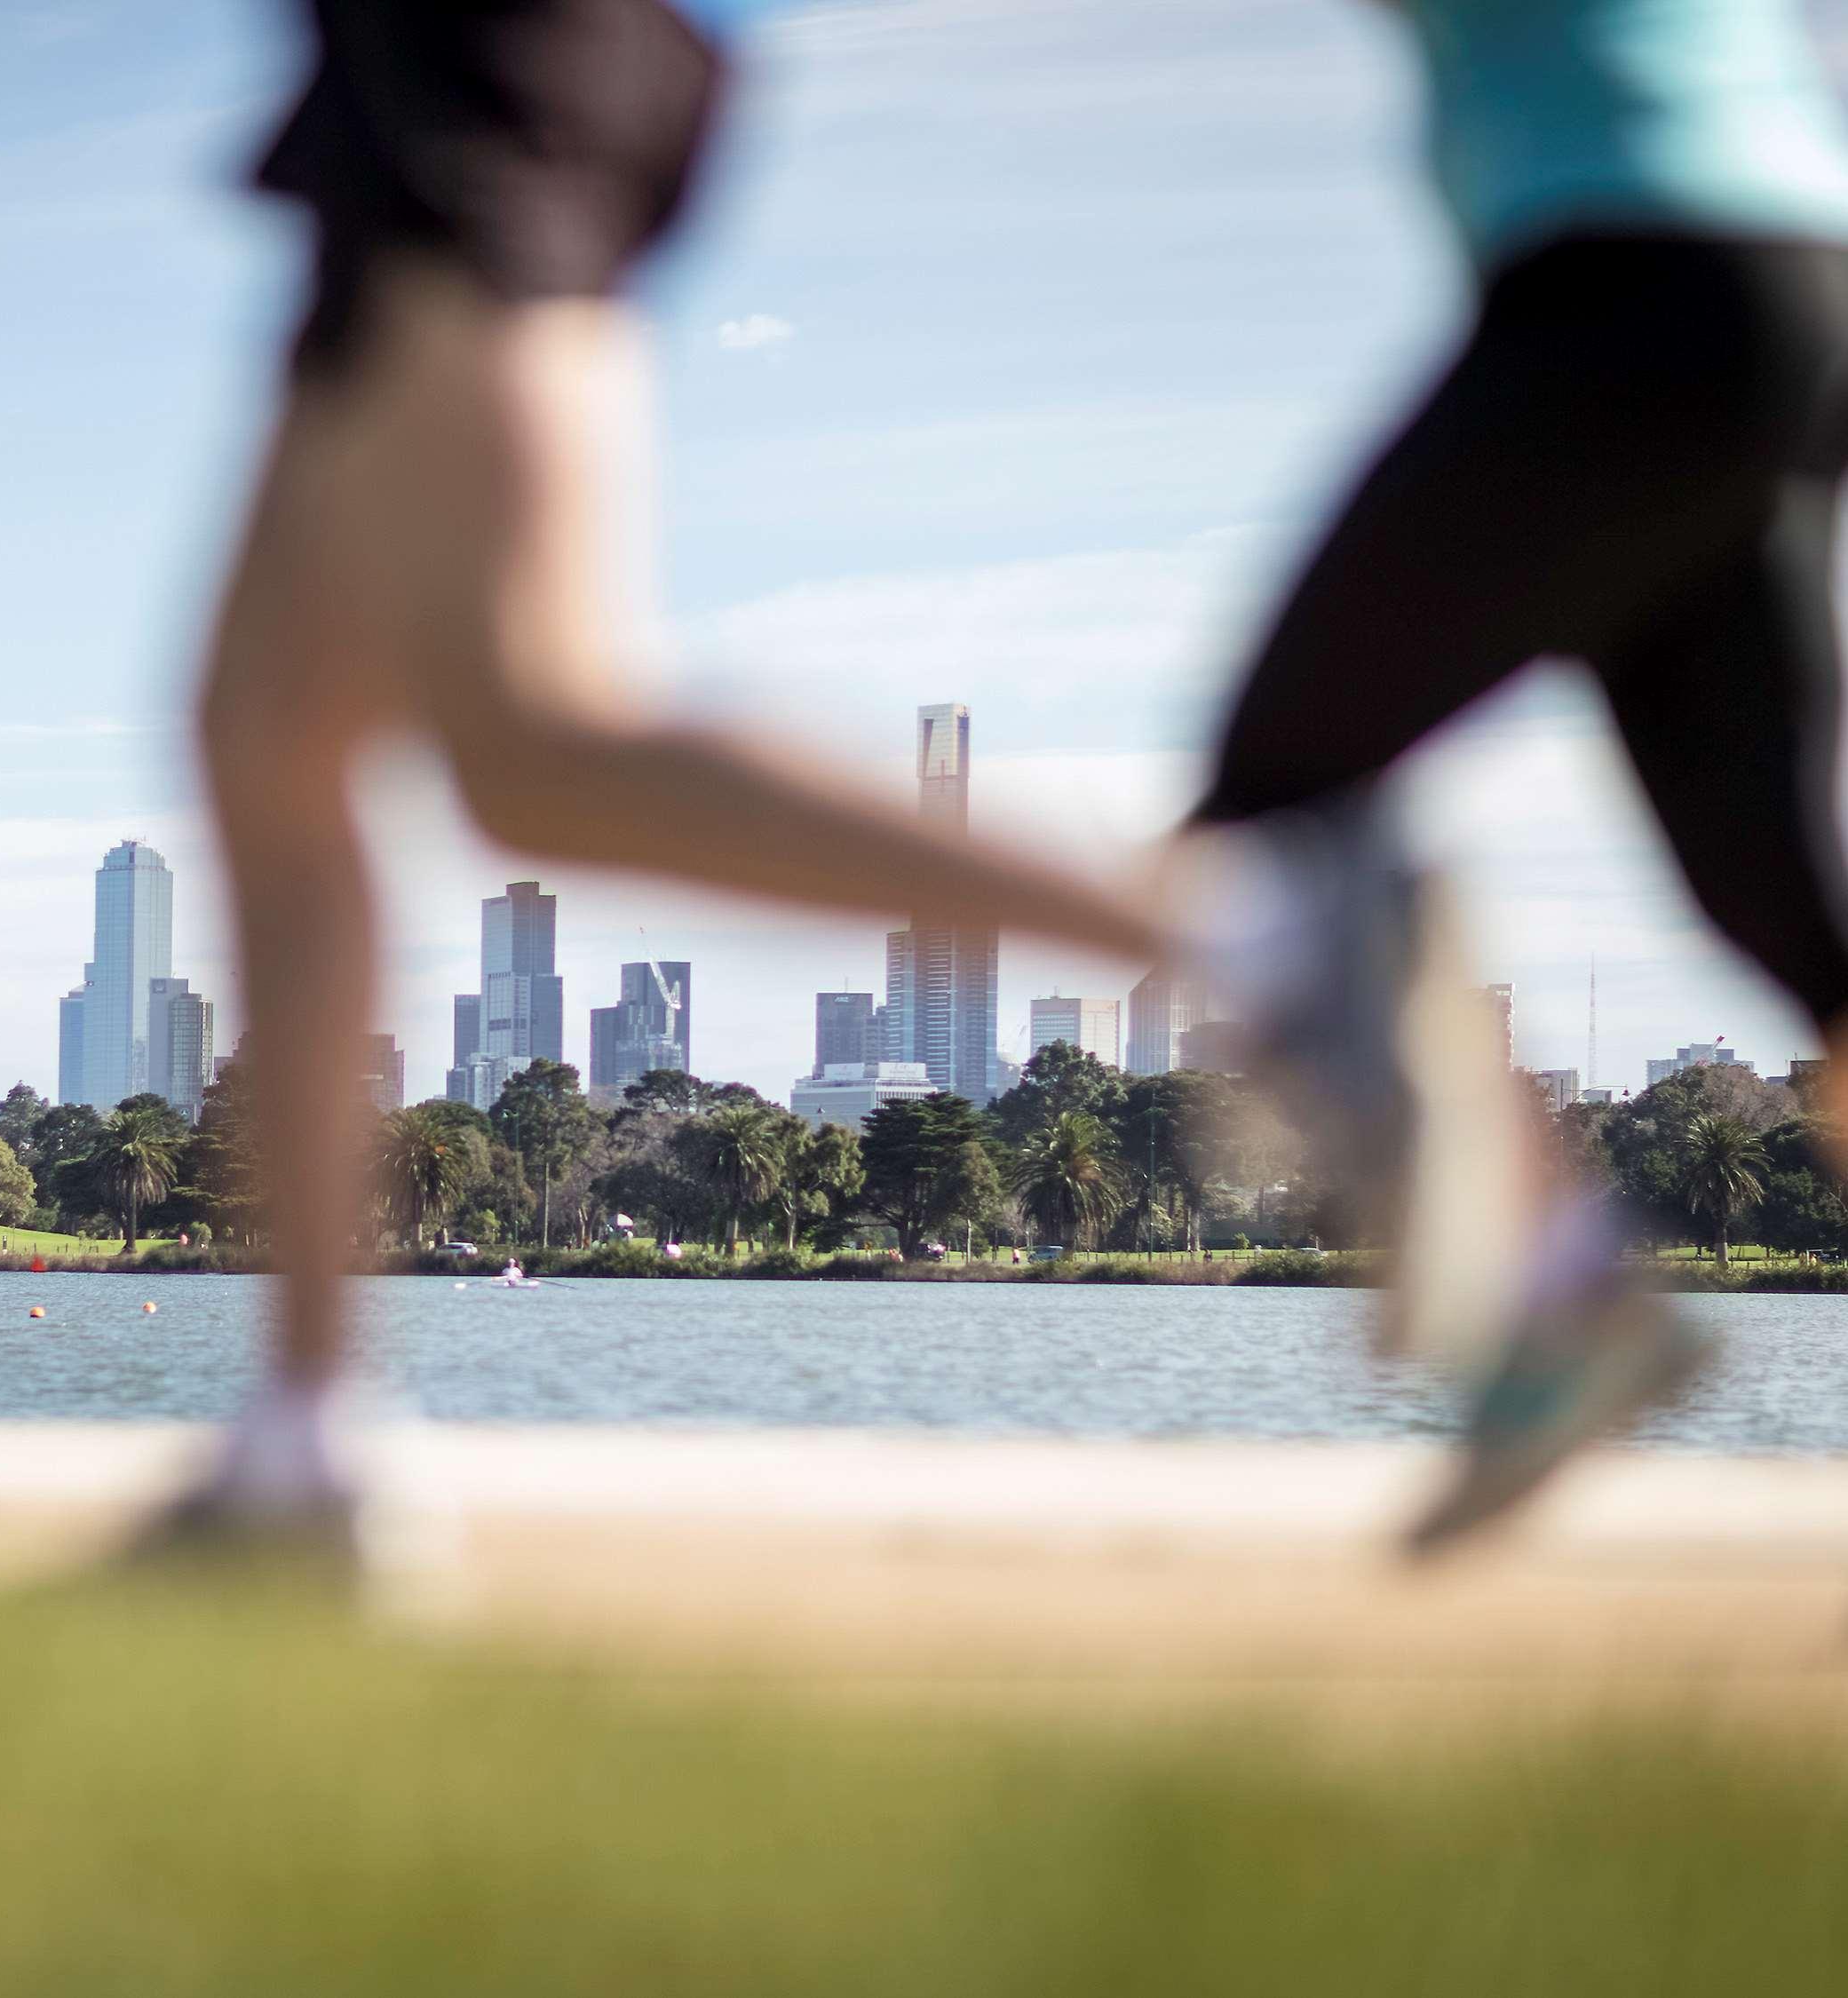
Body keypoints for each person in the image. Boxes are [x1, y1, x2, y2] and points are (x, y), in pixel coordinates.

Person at [167, 0, 1203, 1546]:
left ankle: (1253, 919)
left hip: (500, 50)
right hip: (404, 79)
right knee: (267, 729)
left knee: (538, 741)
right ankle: (310, 1447)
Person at [1198, 0, 1848, 1548]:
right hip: (1785, 288)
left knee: (1272, 809)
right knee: (1795, 924)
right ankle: (1565, 1306)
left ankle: (1559, 1307)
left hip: (1636, 297)